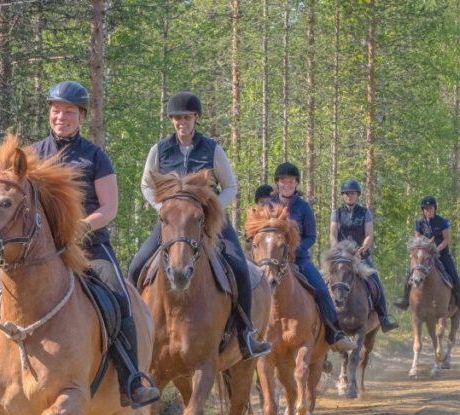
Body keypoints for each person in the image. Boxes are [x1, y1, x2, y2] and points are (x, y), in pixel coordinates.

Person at [0, 80, 161, 406]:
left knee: (118, 295)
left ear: (81, 116)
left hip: (88, 245)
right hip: (37, 248)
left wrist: (80, 227)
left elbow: (109, 208)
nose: (61, 117)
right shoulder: (31, 155)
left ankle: (131, 379)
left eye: (68, 112)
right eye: (55, 110)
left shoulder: (95, 157)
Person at [129, 91, 271, 358]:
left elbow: (230, 187)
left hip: (209, 222)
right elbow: (146, 185)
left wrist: (212, 209)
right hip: (172, 223)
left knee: (240, 267)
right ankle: (132, 330)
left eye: (187, 117)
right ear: (172, 120)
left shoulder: (213, 149)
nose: (182, 122)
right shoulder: (159, 150)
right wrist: (163, 209)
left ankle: (246, 332)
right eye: (177, 118)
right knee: (136, 265)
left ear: (196, 118)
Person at [263, 162, 357, 352]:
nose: (286, 184)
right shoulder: (267, 206)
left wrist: (293, 251)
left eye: (291, 181)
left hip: (299, 260)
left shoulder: (304, 208)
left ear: (296, 184)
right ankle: (247, 335)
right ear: (277, 184)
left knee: (322, 290)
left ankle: (335, 335)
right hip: (271, 261)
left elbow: (311, 237)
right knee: (250, 287)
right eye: (283, 181)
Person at [329, 179, 399, 332]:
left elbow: (368, 235)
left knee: (376, 282)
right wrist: (338, 250)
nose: (349, 196)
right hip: (342, 257)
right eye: (347, 194)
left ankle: (384, 318)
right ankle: (322, 317)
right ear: (343, 196)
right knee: (324, 280)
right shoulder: (336, 213)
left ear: (357, 195)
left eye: (352, 193)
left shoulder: (365, 213)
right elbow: (333, 235)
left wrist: (362, 248)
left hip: (360, 257)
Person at [394, 196, 460, 312]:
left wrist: (437, 249)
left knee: (453, 275)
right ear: (423, 210)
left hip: (441, 254)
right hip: (424, 255)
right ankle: (405, 301)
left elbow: (446, 239)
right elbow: (417, 239)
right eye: (426, 208)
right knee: (410, 274)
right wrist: (422, 250)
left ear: (435, 208)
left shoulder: (442, 221)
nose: (428, 210)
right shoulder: (419, 222)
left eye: (431, 208)